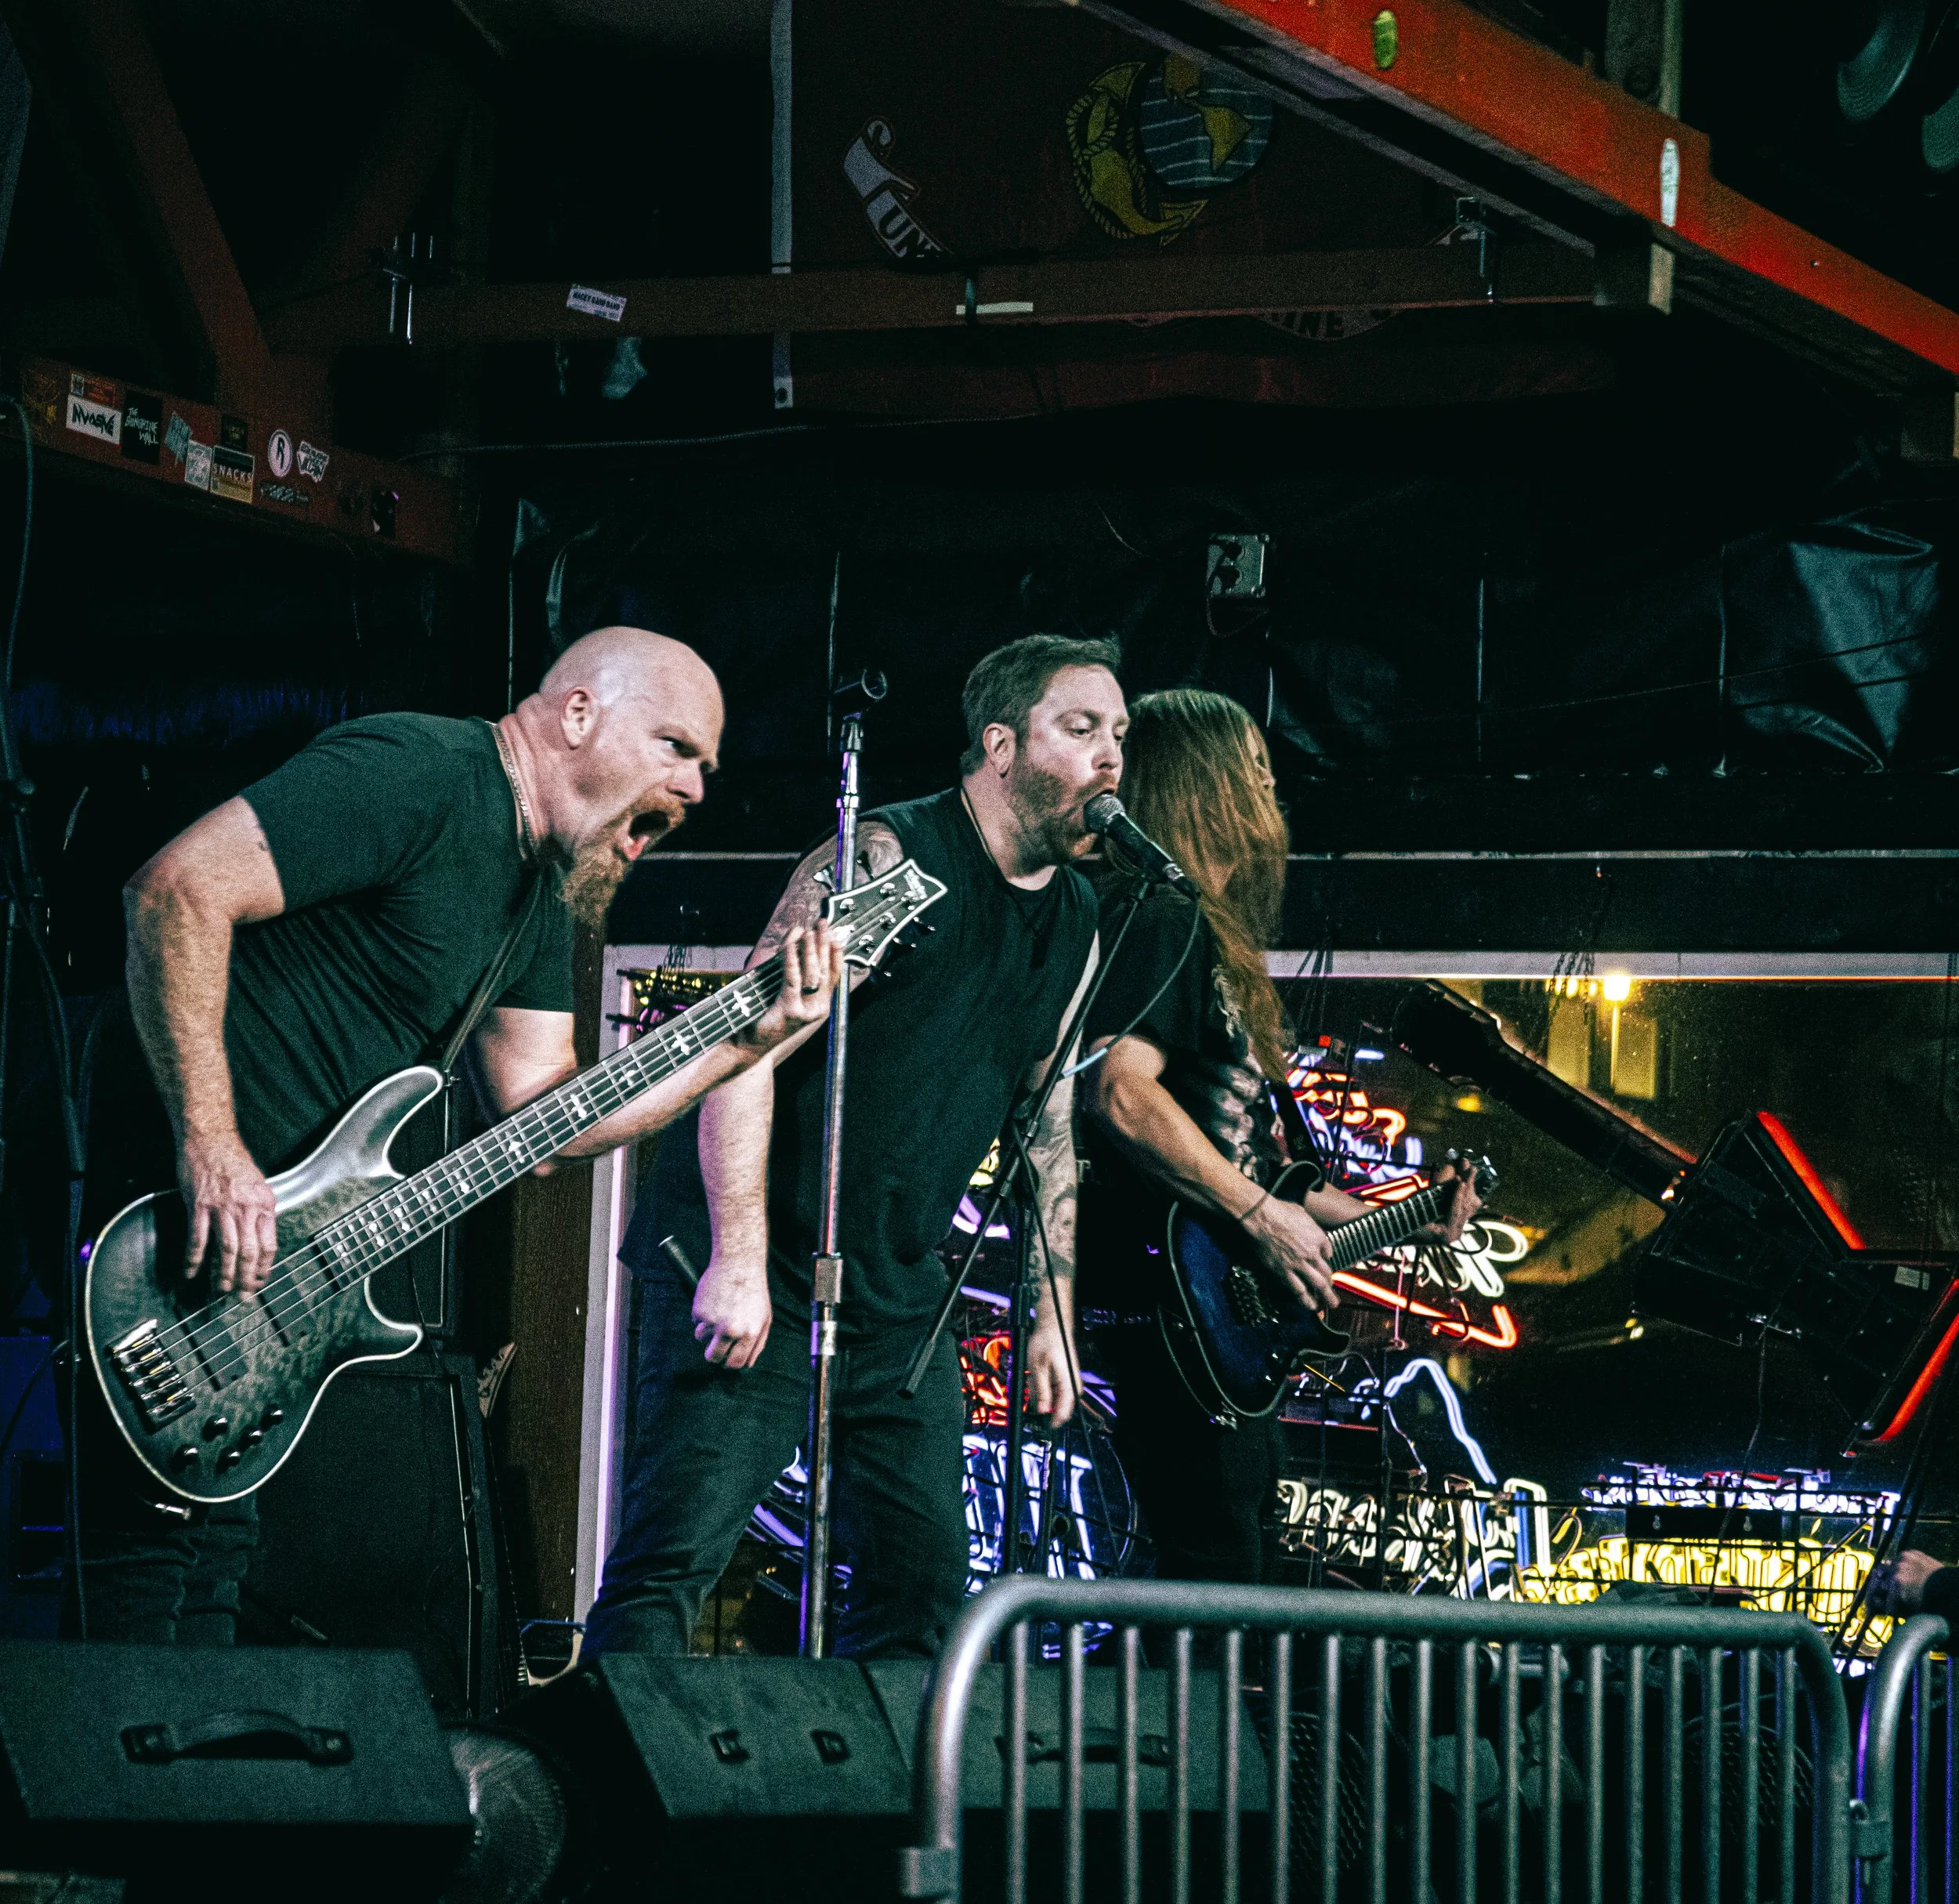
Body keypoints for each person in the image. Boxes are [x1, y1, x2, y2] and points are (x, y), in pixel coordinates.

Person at [74, 627, 841, 1644]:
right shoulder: (422, 774)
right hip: (170, 1208)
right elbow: (176, 891)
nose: (696, 787)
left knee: (211, 1556)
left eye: (705, 765)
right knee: (136, 1558)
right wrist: (212, 1144)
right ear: (578, 715)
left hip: (272, 1257)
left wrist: (744, 1042)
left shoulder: (540, 889)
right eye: (676, 747)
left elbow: (545, 1117)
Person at [585, 632, 1129, 1659]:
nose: (1110, 755)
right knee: (672, 1566)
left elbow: (1047, 1116)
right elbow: (742, 1047)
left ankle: (871, 1771)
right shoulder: (887, 858)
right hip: (764, 1260)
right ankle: (608, 1761)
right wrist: (737, 1257)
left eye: (1119, 734)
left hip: (896, 1299)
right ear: (1002, 746)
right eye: (1080, 727)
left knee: (921, 1587)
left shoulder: (1077, 916)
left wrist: (1051, 1313)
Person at [1080, 686, 1479, 1591]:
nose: (1271, 786)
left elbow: (1258, 1165)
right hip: (1170, 1304)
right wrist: (1258, 1216)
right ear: (1203, 783)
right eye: (1253, 766)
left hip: (1216, 1319)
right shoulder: (1161, 917)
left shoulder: (1211, 937)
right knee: (1215, 1574)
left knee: (1237, 1561)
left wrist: (1408, 1215)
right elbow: (1118, 1091)